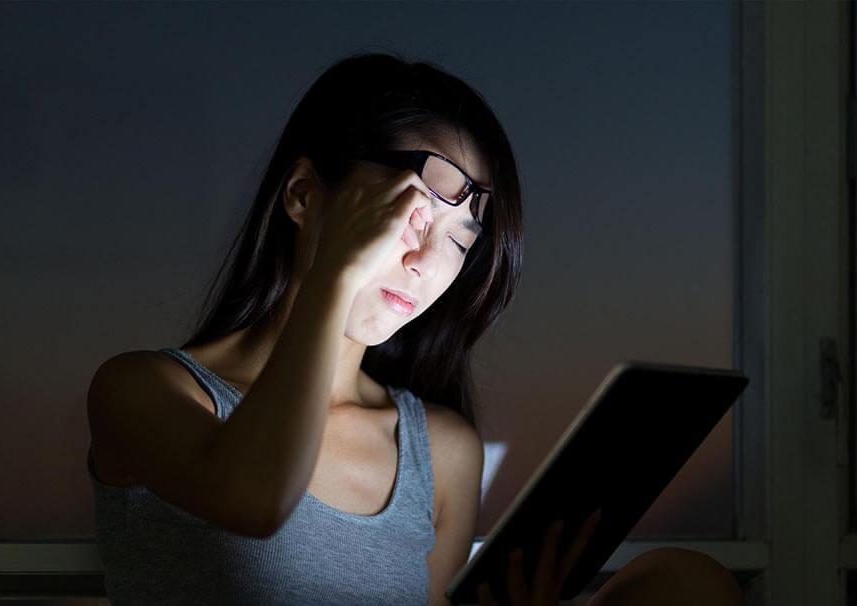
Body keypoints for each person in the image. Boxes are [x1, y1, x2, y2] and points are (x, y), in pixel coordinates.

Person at [85, 52, 743, 606]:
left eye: (461, 240)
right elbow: (255, 499)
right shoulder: (145, 390)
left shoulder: (440, 450)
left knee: (687, 582)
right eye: (414, 215)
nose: (428, 263)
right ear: (304, 196)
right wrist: (334, 276)